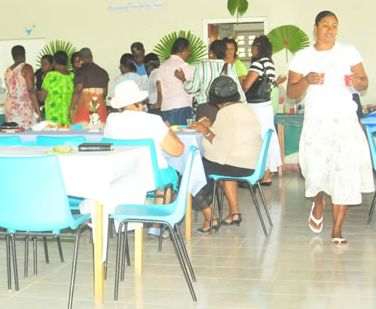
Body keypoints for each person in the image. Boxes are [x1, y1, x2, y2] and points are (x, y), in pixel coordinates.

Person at [287, 11, 374, 247]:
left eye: (334, 26)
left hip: (344, 119)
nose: (330, 30)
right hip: (316, 120)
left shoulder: (348, 51)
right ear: (315, 28)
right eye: (325, 25)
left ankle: (337, 229)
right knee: (315, 170)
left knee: (343, 171)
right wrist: (307, 80)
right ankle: (318, 202)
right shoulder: (303, 56)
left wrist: (358, 82)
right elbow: (291, 92)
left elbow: (364, 81)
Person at [104, 80, 185, 236]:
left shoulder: (112, 120)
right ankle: (157, 223)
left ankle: (144, 205)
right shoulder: (153, 120)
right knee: (168, 174)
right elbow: (177, 150)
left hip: (124, 175)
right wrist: (168, 128)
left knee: (149, 177)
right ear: (139, 102)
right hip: (152, 175)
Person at [189, 77, 261, 232]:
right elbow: (233, 135)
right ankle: (234, 213)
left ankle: (210, 218)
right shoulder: (245, 108)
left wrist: (205, 131)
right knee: (219, 164)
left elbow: (221, 148)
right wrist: (212, 127)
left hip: (238, 165)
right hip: (252, 163)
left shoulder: (226, 112)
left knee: (194, 170)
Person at [241, 35, 285, 185]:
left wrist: (240, 85)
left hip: (255, 106)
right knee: (268, 138)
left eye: (253, 47)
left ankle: (259, 173)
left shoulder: (258, 64)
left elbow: (246, 86)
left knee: (256, 138)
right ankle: (267, 173)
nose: (251, 50)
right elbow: (269, 86)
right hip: (266, 105)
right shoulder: (270, 64)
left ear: (258, 48)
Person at [176, 39, 226, 106]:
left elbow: (192, 88)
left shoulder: (202, 66)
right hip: (225, 107)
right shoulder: (229, 67)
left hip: (206, 105)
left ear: (211, 52)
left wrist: (183, 79)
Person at [68, 48, 109, 126]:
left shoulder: (80, 71)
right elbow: (105, 93)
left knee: (82, 132)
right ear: (92, 57)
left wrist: (71, 109)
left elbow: (78, 90)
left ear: (81, 59)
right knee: (99, 131)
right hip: (100, 109)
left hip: (84, 108)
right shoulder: (103, 72)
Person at [158, 37, 194, 126]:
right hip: (181, 106)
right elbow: (192, 87)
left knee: (169, 136)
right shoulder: (184, 66)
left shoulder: (163, 66)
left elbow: (159, 87)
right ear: (184, 51)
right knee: (182, 136)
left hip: (166, 107)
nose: (189, 54)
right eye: (189, 51)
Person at [3, 45, 41, 130]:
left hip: (10, 106)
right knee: (27, 135)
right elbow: (31, 90)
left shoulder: (7, 70)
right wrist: (38, 110)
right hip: (23, 107)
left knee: (13, 133)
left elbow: (11, 89)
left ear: (13, 56)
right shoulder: (27, 68)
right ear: (24, 54)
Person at [39, 51, 74, 126]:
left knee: (54, 137)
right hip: (69, 118)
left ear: (54, 62)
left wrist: (36, 93)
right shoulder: (72, 76)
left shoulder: (51, 75)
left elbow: (41, 98)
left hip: (53, 117)